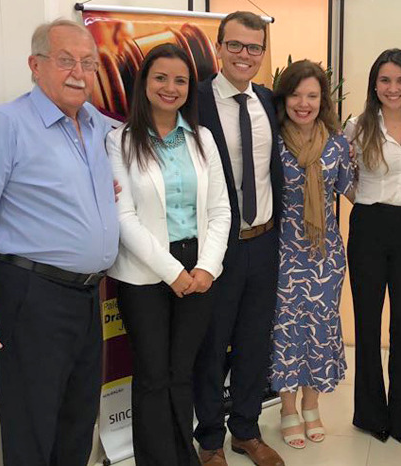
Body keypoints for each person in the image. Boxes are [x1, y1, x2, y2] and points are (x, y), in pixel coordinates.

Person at [0, 19, 119, 466]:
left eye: (88, 63)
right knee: (32, 428)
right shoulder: (7, 124)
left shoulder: (99, 126)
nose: (79, 73)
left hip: (87, 296)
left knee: (77, 424)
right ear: (35, 64)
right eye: (66, 61)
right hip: (31, 296)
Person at [106, 43, 231, 466]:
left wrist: (207, 267)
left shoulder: (203, 138)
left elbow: (220, 209)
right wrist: (173, 271)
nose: (170, 87)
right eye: (160, 77)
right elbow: (124, 217)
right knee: (153, 375)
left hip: (199, 268)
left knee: (181, 373)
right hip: (144, 273)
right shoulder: (120, 141)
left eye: (180, 80)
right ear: (144, 82)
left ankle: (183, 457)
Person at [192, 11, 285, 466]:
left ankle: (246, 430)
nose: (244, 55)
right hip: (217, 247)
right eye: (235, 45)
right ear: (218, 47)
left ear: (262, 53)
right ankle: (210, 439)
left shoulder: (267, 100)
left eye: (254, 47)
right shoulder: (195, 101)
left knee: (254, 343)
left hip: (264, 242)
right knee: (212, 346)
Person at [344, 48, 401, 443]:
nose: (393, 88)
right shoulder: (357, 126)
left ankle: (400, 417)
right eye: (385, 80)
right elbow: (341, 175)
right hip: (368, 226)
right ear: (374, 84)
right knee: (367, 323)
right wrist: (363, 200)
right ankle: (370, 414)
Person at [269, 60, 353, 449]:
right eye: (296, 95)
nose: (304, 103)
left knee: (319, 329)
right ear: (284, 99)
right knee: (286, 330)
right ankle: (287, 409)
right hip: (282, 253)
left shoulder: (337, 144)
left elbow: (353, 189)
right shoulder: (271, 142)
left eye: (312, 96)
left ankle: (311, 405)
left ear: (323, 101)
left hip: (325, 255)